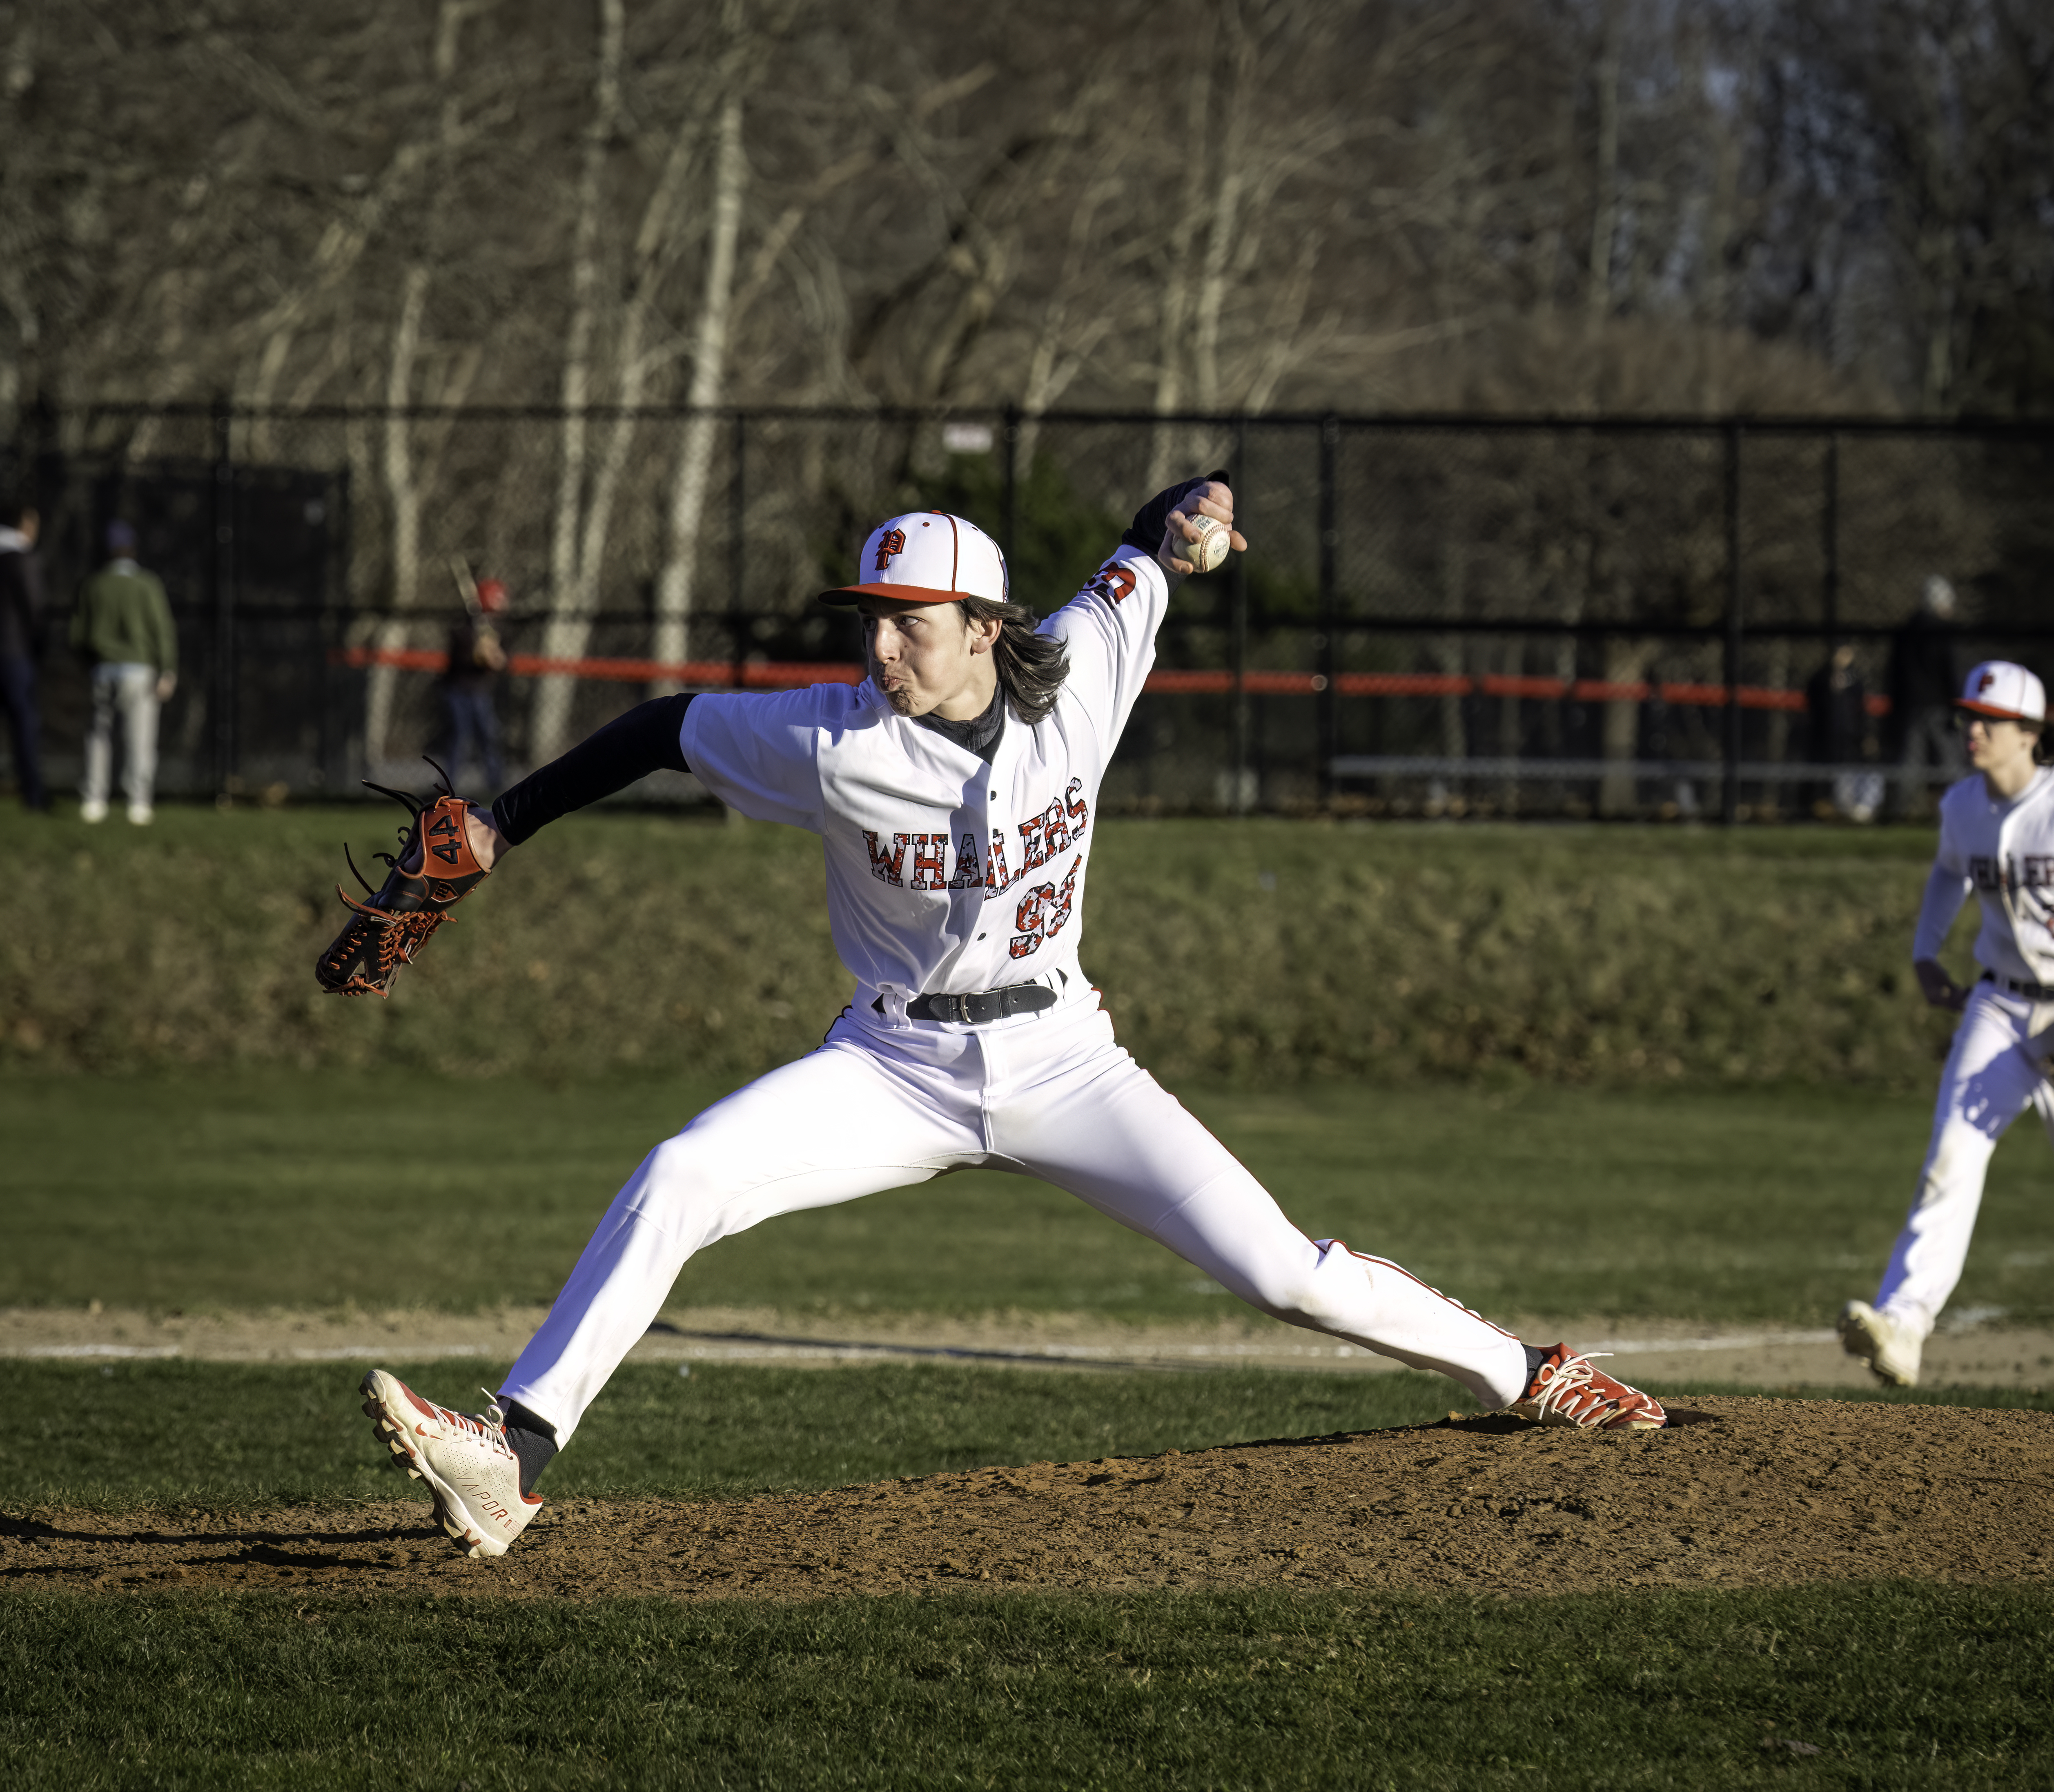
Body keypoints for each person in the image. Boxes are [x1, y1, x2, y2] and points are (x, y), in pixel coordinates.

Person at [356, 477, 1669, 1558]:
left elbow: (1148, 541)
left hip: (1063, 1056)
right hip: (892, 1060)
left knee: (1282, 1272)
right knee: (684, 1171)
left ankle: (1526, 1372)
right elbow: (657, 729)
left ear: (984, 623)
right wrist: (501, 820)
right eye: (869, 619)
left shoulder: (1084, 664)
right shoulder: (830, 739)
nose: (878, 648)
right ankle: (513, 1459)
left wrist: (1195, 512)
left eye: (907, 624)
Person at [1841, 660, 2054, 1396]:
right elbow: (1947, 872)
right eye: (1969, 715)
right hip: (1999, 1005)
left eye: (1989, 720)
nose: (1974, 729)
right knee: (1949, 1160)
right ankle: (1904, 1322)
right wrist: (1925, 950)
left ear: (2030, 733)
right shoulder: (1964, 804)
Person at [70, 521, 176, 825]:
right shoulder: (147, 584)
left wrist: (88, 663)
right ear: (132, 549)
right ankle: (139, 803)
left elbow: (78, 634)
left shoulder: (93, 585)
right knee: (140, 739)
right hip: (139, 671)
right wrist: (168, 669)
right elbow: (163, 631)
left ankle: (94, 800)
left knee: (98, 737)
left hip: (102, 670)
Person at [1887, 574, 1965, 805]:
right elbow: (1950, 672)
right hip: (1939, 707)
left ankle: (1902, 808)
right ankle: (1961, 804)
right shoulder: (1944, 634)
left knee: (1909, 762)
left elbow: (1894, 674)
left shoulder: (1905, 633)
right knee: (1949, 761)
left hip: (1910, 707)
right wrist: (1957, 706)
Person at [0, 493, 48, 811]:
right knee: (24, 723)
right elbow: (35, 609)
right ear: (26, 525)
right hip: (13, 654)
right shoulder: (23, 560)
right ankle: (33, 796)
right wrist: (40, 647)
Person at [440, 574, 508, 794]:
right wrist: (477, 647)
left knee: (489, 737)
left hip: (481, 692)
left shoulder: (494, 630)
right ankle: (448, 785)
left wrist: (492, 651)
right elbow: (460, 657)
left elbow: (500, 662)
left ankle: (495, 783)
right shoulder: (465, 627)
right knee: (459, 739)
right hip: (458, 691)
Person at [1804, 642, 1881, 822]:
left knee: (1847, 773)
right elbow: (1813, 704)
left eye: (1847, 653)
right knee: (1823, 774)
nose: (1842, 658)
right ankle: (1820, 807)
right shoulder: (1821, 678)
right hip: (1825, 736)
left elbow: (1861, 710)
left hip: (1850, 736)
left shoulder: (1855, 680)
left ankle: (1847, 808)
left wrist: (1866, 734)